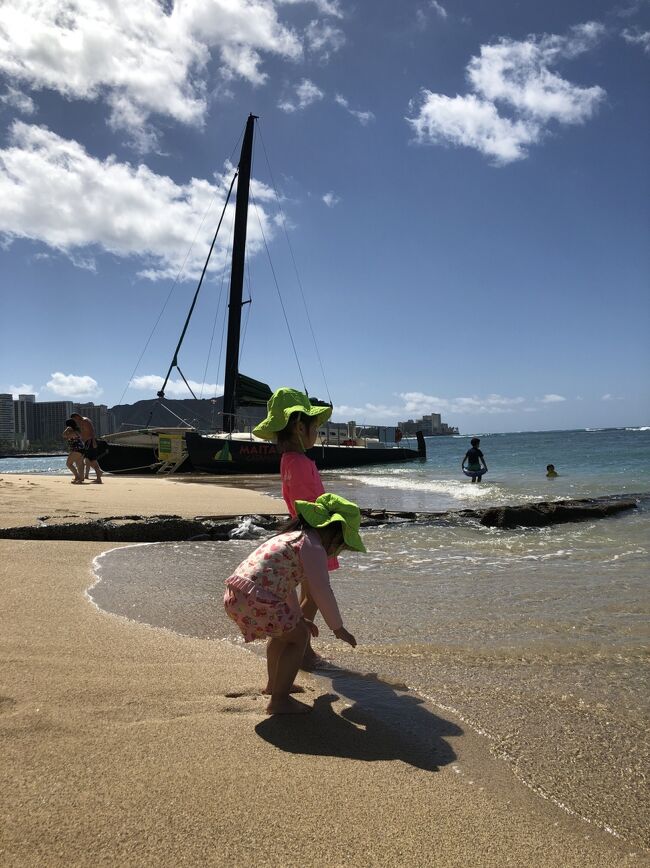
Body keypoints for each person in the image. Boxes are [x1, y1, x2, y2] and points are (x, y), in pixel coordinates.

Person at [224, 493, 364, 714]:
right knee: (299, 637)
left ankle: (273, 685)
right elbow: (321, 590)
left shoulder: (290, 538)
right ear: (331, 532)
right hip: (257, 598)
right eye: (339, 544)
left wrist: (297, 617)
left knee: (284, 633)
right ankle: (279, 701)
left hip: (237, 594)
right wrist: (338, 628)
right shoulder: (313, 546)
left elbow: (283, 586)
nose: (336, 551)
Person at [252, 387, 334, 670]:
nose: (317, 433)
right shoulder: (300, 463)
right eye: (315, 427)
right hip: (311, 536)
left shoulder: (289, 460)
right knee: (312, 595)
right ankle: (303, 650)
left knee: (305, 594)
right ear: (300, 427)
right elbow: (306, 504)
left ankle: (298, 643)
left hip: (299, 533)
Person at [70, 412, 103, 483]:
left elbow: (92, 431)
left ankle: (99, 476)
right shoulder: (81, 422)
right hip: (87, 442)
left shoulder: (85, 421)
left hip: (90, 442)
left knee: (91, 460)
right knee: (89, 460)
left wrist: (93, 441)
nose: (75, 421)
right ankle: (99, 474)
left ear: (77, 416)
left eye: (74, 419)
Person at [63, 418, 85, 484]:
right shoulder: (77, 431)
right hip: (81, 449)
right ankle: (80, 479)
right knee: (79, 465)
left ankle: (77, 476)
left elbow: (64, 436)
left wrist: (66, 430)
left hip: (76, 449)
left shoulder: (72, 432)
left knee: (69, 464)